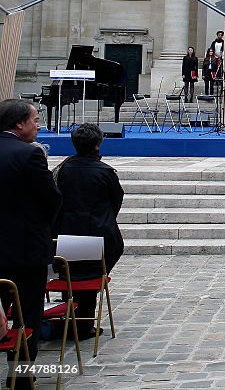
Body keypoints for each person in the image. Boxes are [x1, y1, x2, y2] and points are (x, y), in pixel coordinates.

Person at [0, 100, 61, 381]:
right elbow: (51, 199)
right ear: (19, 124)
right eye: (35, 120)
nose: (39, 125)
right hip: (24, 250)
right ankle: (21, 375)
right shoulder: (29, 155)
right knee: (27, 314)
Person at [51, 123, 124, 339]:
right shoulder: (105, 172)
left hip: (66, 231)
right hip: (98, 230)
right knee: (92, 270)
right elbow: (116, 200)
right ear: (97, 144)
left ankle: (72, 313)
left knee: (71, 270)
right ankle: (83, 323)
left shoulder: (63, 169)